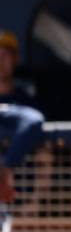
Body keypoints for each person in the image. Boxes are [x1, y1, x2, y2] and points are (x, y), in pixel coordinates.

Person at [0, 30, 45, 204]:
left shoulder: (28, 103)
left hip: (18, 199)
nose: (0, 60)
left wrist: (34, 204)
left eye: (5, 55)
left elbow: (45, 157)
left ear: (16, 59)